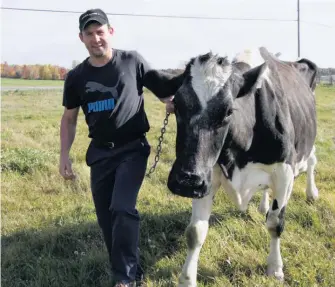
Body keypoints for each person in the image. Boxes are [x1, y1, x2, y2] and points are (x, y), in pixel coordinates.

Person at [59, 8, 180, 287]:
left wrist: (172, 101)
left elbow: (163, 91)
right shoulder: (76, 77)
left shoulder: (132, 61)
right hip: (100, 153)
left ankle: (124, 279)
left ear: (110, 32)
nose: (95, 38)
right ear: (81, 38)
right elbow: (69, 119)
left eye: (100, 32)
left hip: (132, 149)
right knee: (106, 218)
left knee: (123, 208)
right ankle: (130, 269)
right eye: (89, 33)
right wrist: (64, 155)